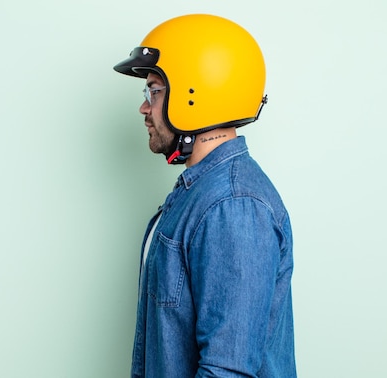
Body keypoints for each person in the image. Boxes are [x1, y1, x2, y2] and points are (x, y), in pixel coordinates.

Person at [113, 14, 296, 378]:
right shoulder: (200, 193)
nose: (144, 108)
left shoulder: (233, 206)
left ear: (195, 94)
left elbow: (227, 371)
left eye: (154, 90)